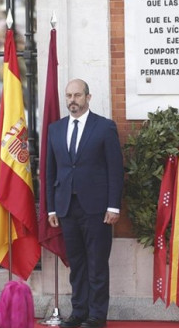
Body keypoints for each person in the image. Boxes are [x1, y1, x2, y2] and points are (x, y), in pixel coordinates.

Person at [45, 79, 124, 328]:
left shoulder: (104, 127)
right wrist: (51, 207)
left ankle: (96, 316)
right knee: (76, 264)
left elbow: (115, 169)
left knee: (97, 263)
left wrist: (114, 206)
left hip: (97, 209)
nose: (72, 100)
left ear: (88, 97)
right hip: (67, 207)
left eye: (77, 95)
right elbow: (50, 171)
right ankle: (78, 312)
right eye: (68, 95)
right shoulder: (55, 129)